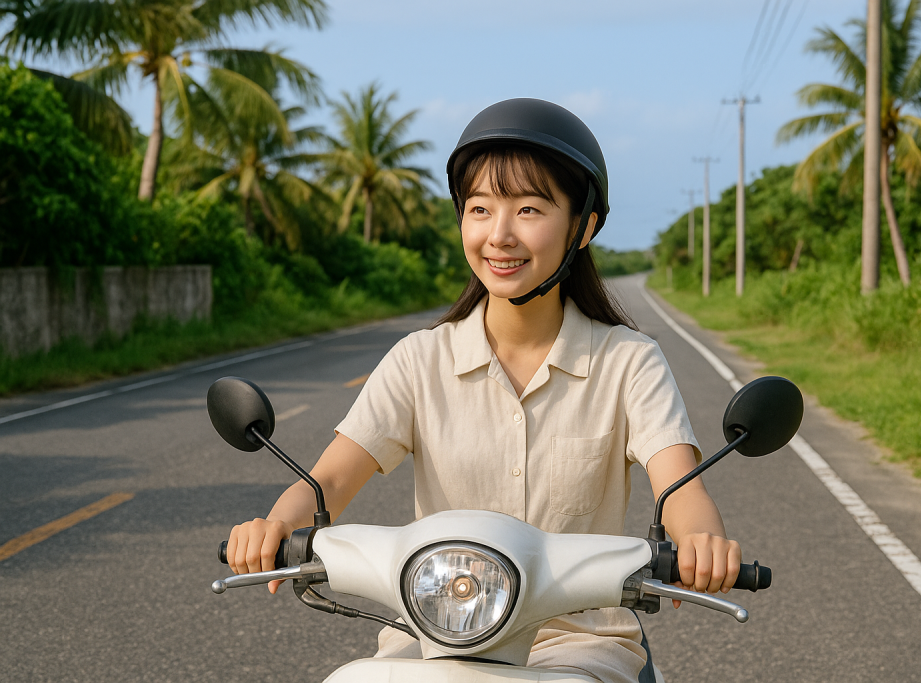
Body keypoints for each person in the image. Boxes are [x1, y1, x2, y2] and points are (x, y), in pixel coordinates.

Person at [226, 98, 742, 683]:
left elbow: (678, 488)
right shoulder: (420, 359)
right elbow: (333, 480)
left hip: (581, 645)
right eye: (479, 209)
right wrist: (273, 525)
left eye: (528, 209)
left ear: (584, 225)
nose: (499, 235)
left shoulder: (629, 361)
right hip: (429, 641)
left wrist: (702, 542)